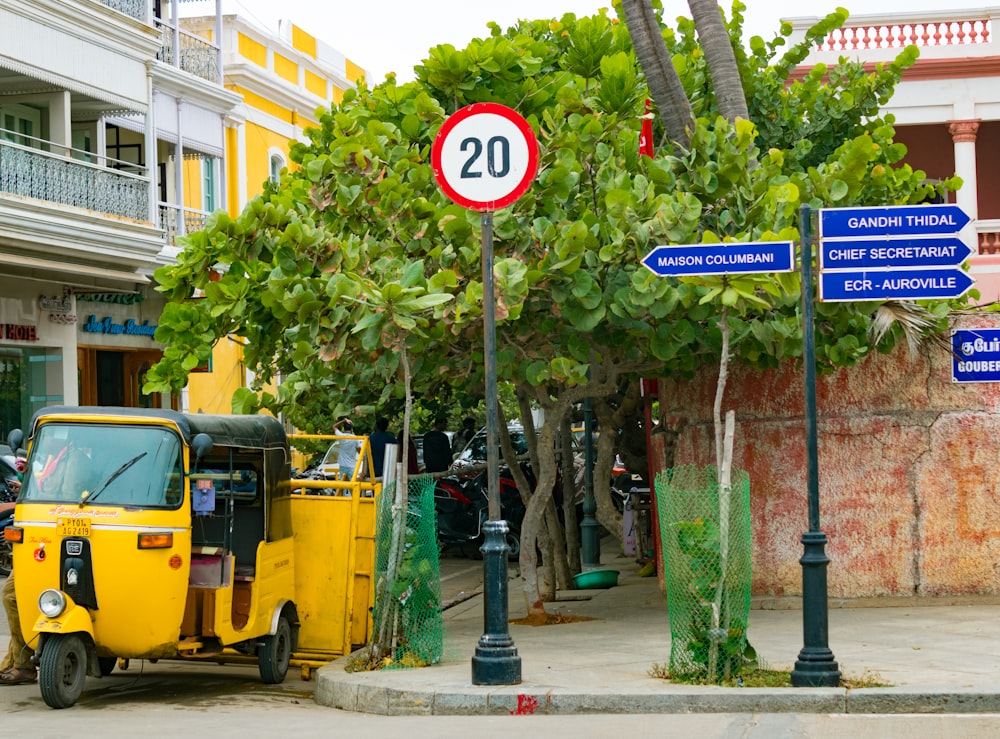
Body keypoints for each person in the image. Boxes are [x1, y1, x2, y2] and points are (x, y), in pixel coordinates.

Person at [1, 465, 33, 686]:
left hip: (42, 537)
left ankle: (23, 665)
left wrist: (27, 488)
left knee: (12, 596)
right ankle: (13, 663)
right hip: (34, 531)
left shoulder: (73, 459)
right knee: (12, 596)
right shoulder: (50, 448)